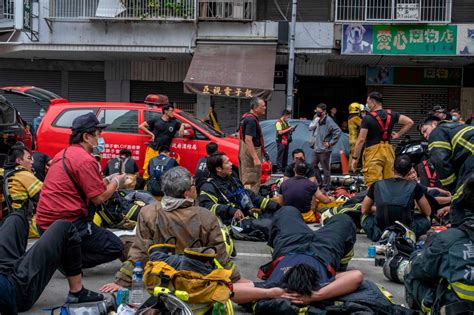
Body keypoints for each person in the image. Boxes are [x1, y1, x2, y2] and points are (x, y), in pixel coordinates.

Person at [100, 166, 241, 292]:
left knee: (126, 242)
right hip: (196, 283)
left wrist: (122, 282)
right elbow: (220, 256)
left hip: (159, 281)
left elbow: (140, 252)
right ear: (187, 193)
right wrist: (236, 279)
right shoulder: (207, 217)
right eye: (193, 185)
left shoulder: (148, 212)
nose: (196, 187)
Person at [35, 112, 126, 269]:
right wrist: (117, 182)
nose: (100, 139)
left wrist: (108, 180)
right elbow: (99, 198)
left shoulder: (63, 154)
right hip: (68, 224)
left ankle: (66, 256)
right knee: (116, 247)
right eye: (98, 135)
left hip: (44, 224)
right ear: (86, 137)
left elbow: (83, 184)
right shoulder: (85, 159)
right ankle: (66, 263)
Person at [231, 205, 358, 305]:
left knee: (287, 211)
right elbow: (356, 276)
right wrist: (316, 295)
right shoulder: (321, 285)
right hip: (323, 252)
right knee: (344, 220)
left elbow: (232, 290)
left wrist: (270, 293)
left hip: (289, 247)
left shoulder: (278, 286)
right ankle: (341, 264)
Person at [0, 211, 104, 313]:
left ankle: (19, 266)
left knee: (16, 218)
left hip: (3, 271)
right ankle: (77, 292)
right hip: (13, 289)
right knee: (64, 228)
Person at [404, 175, 474, 314]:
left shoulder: (451, 239)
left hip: (457, 310)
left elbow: (420, 269)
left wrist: (423, 252)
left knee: (411, 271)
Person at [361, 155, 432, 241]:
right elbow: (427, 212)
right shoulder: (414, 186)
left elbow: (364, 210)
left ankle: (384, 234)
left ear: (392, 168)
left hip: (381, 228)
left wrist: (377, 209)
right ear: (409, 170)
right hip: (407, 227)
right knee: (426, 219)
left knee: (364, 217)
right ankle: (402, 235)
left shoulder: (377, 184)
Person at [419, 115, 474, 226]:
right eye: (423, 134)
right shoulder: (459, 127)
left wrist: (453, 189)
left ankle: (460, 235)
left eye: (425, 130)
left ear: (434, 123)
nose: (425, 136)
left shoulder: (438, 131)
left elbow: (440, 162)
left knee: (461, 201)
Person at [351, 92, 414, 187]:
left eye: (368, 102)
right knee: (389, 184)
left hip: (373, 153)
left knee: (374, 186)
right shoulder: (392, 114)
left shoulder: (367, 119)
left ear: (373, 102)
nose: (367, 105)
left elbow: (360, 140)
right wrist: (398, 134)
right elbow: (410, 122)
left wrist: (355, 158)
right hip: (389, 151)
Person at [198, 152, 279, 225]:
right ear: (218, 169)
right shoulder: (208, 186)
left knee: (278, 215)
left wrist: (275, 206)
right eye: (227, 163)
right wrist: (231, 210)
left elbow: (250, 196)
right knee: (270, 226)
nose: (231, 164)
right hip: (232, 224)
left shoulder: (234, 180)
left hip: (249, 216)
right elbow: (207, 207)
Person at [139, 103, 189, 180]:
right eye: (171, 111)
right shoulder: (156, 120)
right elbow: (141, 126)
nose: (173, 113)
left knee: (164, 169)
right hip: (153, 148)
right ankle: (147, 186)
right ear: (165, 111)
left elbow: (190, 125)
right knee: (148, 168)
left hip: (164, 151)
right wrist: (151, 133)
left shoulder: (174, 122)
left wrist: (182, 126)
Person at [309, 103, 341, 191]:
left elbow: (338, 131)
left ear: (324, 111)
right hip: (317, 148)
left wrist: (330, 143)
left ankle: (326, 185)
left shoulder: (329, 120)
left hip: (325, 149)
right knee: (313, 165)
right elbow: (311, 128)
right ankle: (320, 182)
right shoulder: (318, 119)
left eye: (319, 111)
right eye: (317, 111)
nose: (317, 113)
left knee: (325, 169)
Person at [238, 97, 266, 194]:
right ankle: (251, 203)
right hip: (250, 154)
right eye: (263, 106)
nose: (265, 108)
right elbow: (248, 140)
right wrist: (255, 158)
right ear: (255, 107)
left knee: (247, 177)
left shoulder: (245, 117)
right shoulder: (251, 120)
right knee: (251, 178)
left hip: (246, 152)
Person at [2, 145, 42, 212]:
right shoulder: (24, 175)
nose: (32, 162)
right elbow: (44, 196)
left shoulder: (4, 173)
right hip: (26, 219)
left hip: (7, 218)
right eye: (29, 158)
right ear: (19, 160)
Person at [347, 102, 362, 167]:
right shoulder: (356, 118)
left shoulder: (350, 118)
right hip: (356, 139)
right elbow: (364, 124)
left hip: (351, 139)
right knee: (356, 155)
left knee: (352, 154)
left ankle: (350, 168)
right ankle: (352, 169)